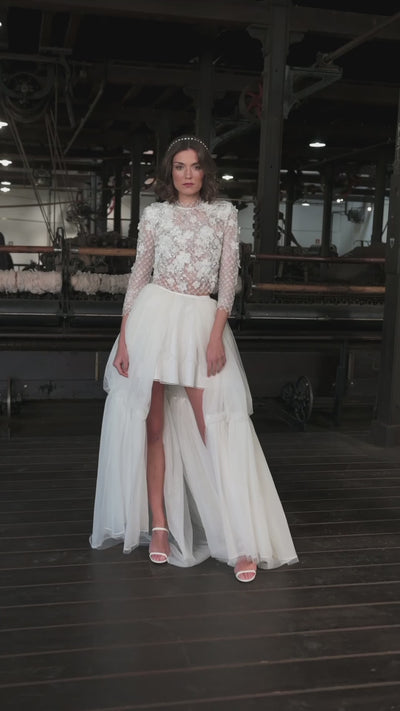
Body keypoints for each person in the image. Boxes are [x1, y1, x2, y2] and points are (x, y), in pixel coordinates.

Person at [90, 136, 298, 582]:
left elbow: (228, 279)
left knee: (215, 428)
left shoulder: (223, 213)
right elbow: (138, 275)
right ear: (170, 172)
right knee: (153, 428)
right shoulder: (156, 215)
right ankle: (159, 526)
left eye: (195, 166)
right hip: (153, 319)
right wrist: (124, 339)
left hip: (201, 321)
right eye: (180, 166)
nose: (187, 174)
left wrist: (216, 335)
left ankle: (240, 540)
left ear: (206, 171)